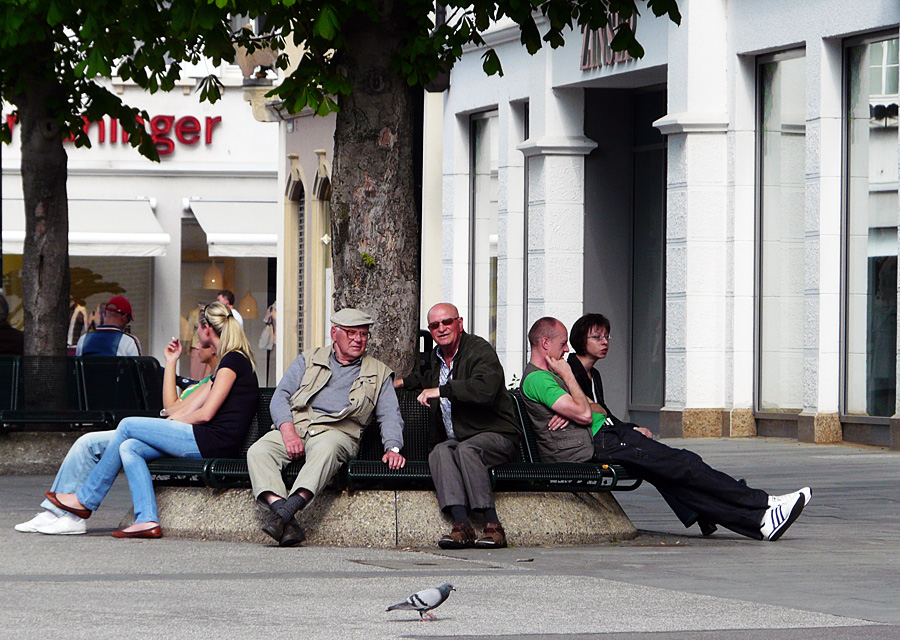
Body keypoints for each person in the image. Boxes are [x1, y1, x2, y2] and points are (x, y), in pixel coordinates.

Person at [520, 316, 811, 542]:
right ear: (544, 343)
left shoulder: (551, 376)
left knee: (678, 473)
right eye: (562, 343)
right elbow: (585, 411)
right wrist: (571, 386)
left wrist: (573, 407)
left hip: (606, 434)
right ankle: (764, 503)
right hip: (597, 443)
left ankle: (759, 521)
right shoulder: (542, 379)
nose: (566, 349)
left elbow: (585, 408)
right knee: (683, 464)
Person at [42, 302, 258, 538]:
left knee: (127, 425)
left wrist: (169, 425)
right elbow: (184, 408)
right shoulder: (228, 362)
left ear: (207, 329)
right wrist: (168, 421)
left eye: (197, 327)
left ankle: (85, 499)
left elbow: (206, 413)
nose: (195, 334)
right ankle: (146, 520)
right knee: (129, 447)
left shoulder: (233, 361)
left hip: (212, 441)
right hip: (204, 438)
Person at [15, 327, 220, 535]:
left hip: (176, 436)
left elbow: (184, 414)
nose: (195, 349)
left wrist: (165, 420)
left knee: (115, 433)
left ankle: (75, 512)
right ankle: (56, 512)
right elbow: (170, 406)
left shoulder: (216, 379)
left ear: (213, 348)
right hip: (166, 430)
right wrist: (171, 361)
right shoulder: (204, 382)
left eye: (200, 344)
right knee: (87, 441)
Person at [247, 308, 405, 547]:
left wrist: (393, 447)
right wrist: (287, 430)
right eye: (351, 333)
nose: (358, 339)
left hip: (338, 432)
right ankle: (286, 518)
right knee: (258, 451)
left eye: (363, 334)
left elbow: (390, 414)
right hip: (298, 427)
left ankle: (285, 513)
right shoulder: (309, 359)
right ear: (334, 333)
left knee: (326, 449)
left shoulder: (378, 372)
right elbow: (281, 396)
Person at [567, 313, 715, 536]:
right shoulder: (570, 370)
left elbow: (604, 411)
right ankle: (704, 508)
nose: (605, 342)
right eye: (597, 337)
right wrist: (625, 428)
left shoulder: (593, 375)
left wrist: (631, 427)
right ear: (580, 340)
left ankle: (701, 512)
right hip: (590, 443)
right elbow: (593, 412)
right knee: (653, 462)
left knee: (654, 464)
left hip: (605, 435)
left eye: (607, 336)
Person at [396, 303, 520, 549]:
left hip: (497, 434)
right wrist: (400, 382)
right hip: (462, 437)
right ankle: (461, 525)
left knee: (467, 450)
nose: (441, 329)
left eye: (447, 322)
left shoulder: (479, 350)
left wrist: (442, 391)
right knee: (441, 451)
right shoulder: (437, 356)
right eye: (434, 325)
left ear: (459, 323)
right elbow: (428, 378)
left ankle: (493, 526)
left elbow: (484, 389)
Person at [75, 295, 141, 356]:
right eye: (128, 320)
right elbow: (138, 368)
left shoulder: (83, 340)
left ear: (105, 314)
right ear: (124, 317)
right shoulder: (129, 342)